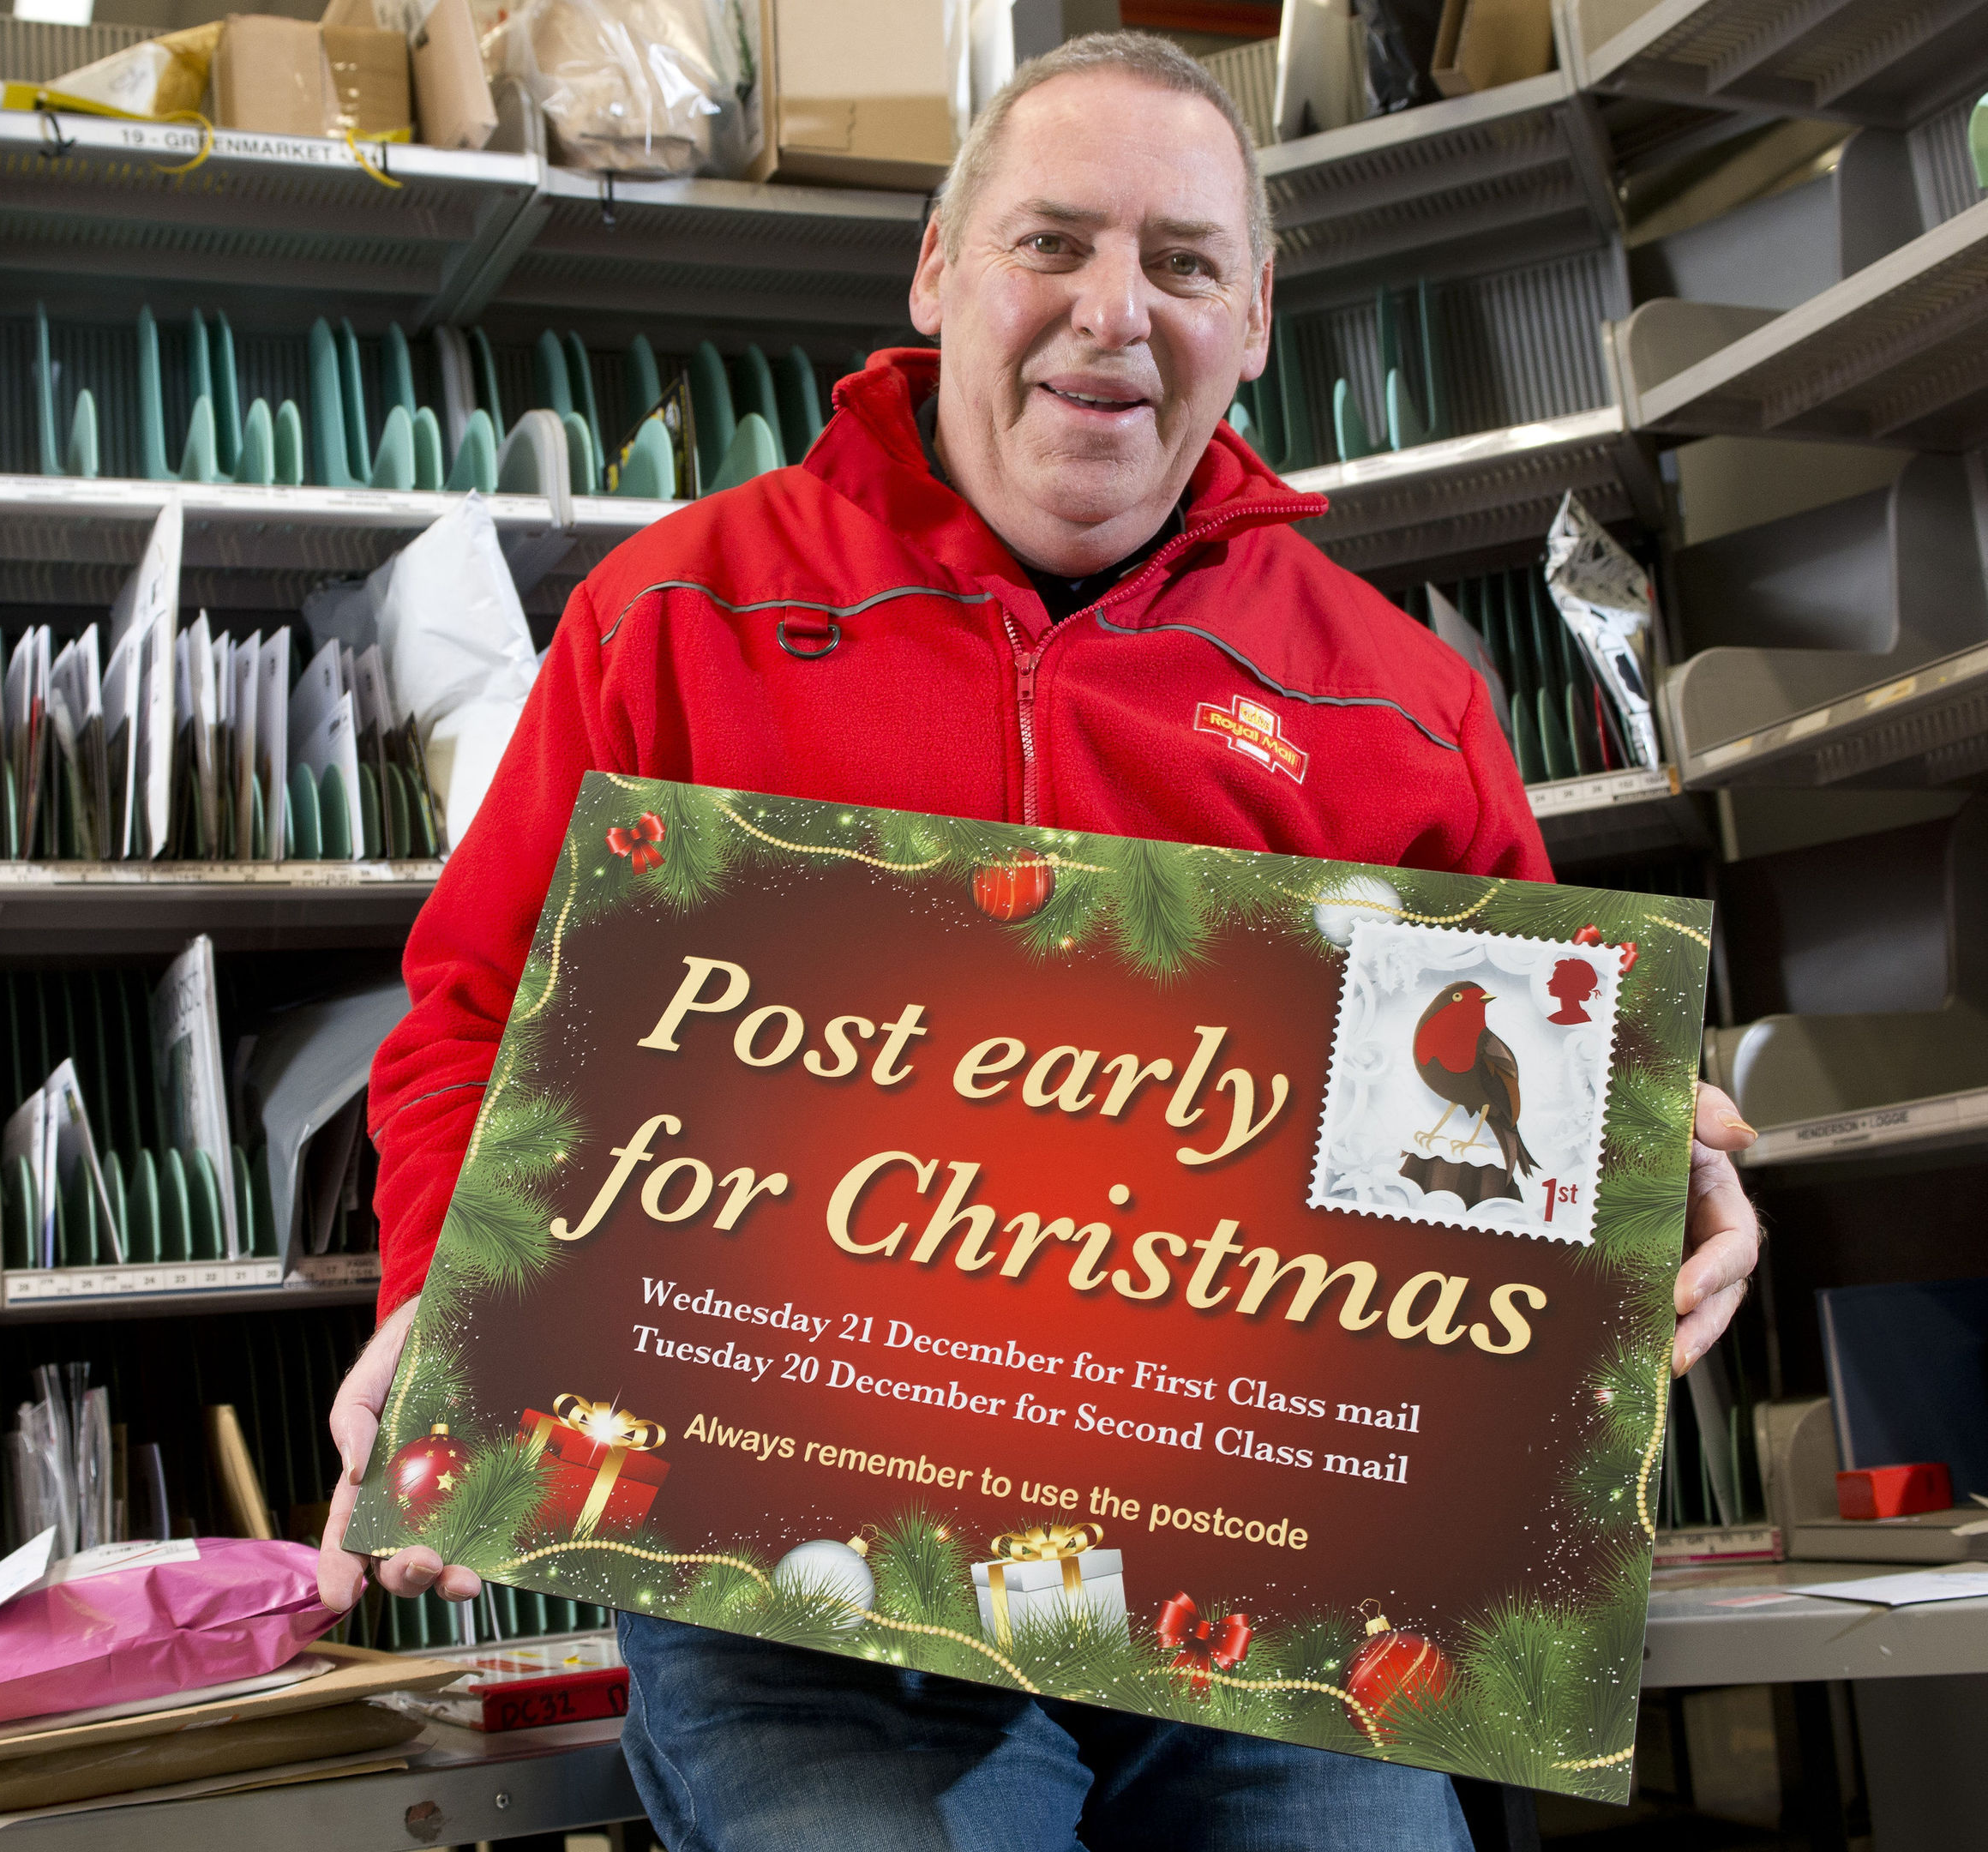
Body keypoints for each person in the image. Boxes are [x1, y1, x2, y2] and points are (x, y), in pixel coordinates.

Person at [318, 30, 1762, 1849]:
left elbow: (1505, 1139)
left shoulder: (1395, 704)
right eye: (1051, 242)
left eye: (1182, 264)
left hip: (1267, 1602)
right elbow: (470, 1014)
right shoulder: (675, 618)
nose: (1111, 311)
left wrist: (1641, 1196)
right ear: (937, 271)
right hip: (801, 1607)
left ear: (1251, 322)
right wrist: (452, 1301)